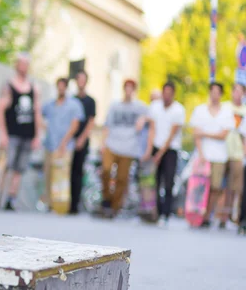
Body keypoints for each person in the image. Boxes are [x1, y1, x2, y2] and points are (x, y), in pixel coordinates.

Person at [0, 53, 42, 210]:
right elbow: (0, 110)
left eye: (26, 64)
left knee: (19, 168)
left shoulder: (34, 88)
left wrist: (37, 136)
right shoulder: (9, 86)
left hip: (27, 134)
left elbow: (37, 112)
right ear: (17, 65)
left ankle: (11, 200)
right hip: (12, 133)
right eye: (21, 64)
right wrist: (2, 133)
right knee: (6, 166)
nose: (23, 67)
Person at [100, 79, 151, 218]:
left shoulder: (140, 107)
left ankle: (114, 207)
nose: (128, 91)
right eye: (126, 88)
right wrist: (102, 144)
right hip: (112, 143)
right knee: (106, 170)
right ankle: (106, 199)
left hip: (129, 147)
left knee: (122, 178)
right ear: (123, 89)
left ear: (133, 91)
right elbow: (107, 126)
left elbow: (154, 115)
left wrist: (144, 119)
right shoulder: (115, 105)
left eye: (131, 88)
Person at [189, 82, 235, 228]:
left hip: (219, 156)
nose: (214, 95)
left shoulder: (226, 112)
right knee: (200, 187)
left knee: (215, 187)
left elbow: (224, 135)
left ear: (220, 94)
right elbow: (196, 134)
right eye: (212, 92)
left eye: (217, 92)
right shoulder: (200, 110)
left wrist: (204, 133)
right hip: (202, 155)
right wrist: (201, 153)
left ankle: (207, 215)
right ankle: (197, 215)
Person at [38, 77, 84, 211]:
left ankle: (61, 206)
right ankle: (50, 204)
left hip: (65, 146)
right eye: (59, 86)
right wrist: (44, 128)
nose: (61, 89)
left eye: (63, 86)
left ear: (66, 88)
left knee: (62, 176)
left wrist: (64, 143)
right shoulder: (50, 104)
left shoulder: (74, 105)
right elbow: (38, 114)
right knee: (49, 174)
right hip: (50, 144)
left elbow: (75, 125)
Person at [148, 81, 186, 227]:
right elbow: (152, 129)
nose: (166, 96)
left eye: (169, 93)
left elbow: (172, 135)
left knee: (168, 182)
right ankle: (157, 212)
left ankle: (166, 214)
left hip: (170, 150)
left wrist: (160, 154)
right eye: (165, 93)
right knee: (156, 181)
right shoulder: (155, 107)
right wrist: (151, 150)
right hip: (156, 147)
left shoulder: (178, 110)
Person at [219, 83, 246, 228]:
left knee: (236, 187)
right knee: (221, 186)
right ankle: (221, 216)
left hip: (237, 153)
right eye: (234, 90)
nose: (237, 93)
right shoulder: (224, 107)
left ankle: (232, 216)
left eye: (240, 91)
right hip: (222, 151)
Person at [70, 70, 96, 214]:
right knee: (68, 172)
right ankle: (66, 202)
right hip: (69, 141)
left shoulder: (90, 101)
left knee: (78, 172)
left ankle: (75, 204)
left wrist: (81, 139)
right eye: (78, 79)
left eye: (83, 80)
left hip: (82, 140)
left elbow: (91, 122)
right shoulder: (71, 99)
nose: (81, 82)